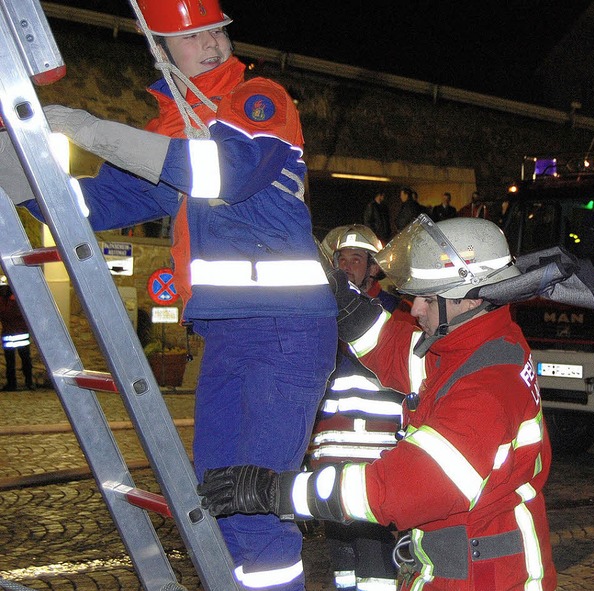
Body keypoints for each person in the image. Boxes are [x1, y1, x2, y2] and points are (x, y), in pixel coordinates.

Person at [2, 1, 338, 589]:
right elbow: (93, 207)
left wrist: (90, 129)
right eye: (192, 35)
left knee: (254, 507)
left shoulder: (260, 99)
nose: (210, 44)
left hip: (286, 331)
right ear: (157, 46)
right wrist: (14, 158)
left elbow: (224, 174)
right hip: (227, 335)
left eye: (216, 30)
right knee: (218, 500)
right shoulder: (168, 130)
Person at [197, 215, 594, 590]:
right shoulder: (472, 345)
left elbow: (396, 490)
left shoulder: (487, 386)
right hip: (466, 561)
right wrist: (345, 300)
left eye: (427, 298)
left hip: (486, 576)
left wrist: (277, 491)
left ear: (473, 297)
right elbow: (396, 349)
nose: (417, 308)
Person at [310, 225, 419, 591]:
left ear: (374, 268)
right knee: (342, 562)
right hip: (331, 457)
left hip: (377, 461)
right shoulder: (321, 316)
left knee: (375, 564)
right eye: (341, 259)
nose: (346, 266)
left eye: (356, 259)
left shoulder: (396, 314)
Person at [0, 280, 34, 392]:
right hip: (12, 334)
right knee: (12, 362)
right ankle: (15, 383)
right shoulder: (13, 299)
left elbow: (8, 314)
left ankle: (27, 382)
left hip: (17, 333)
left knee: (24, 360)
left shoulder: (14, 300)